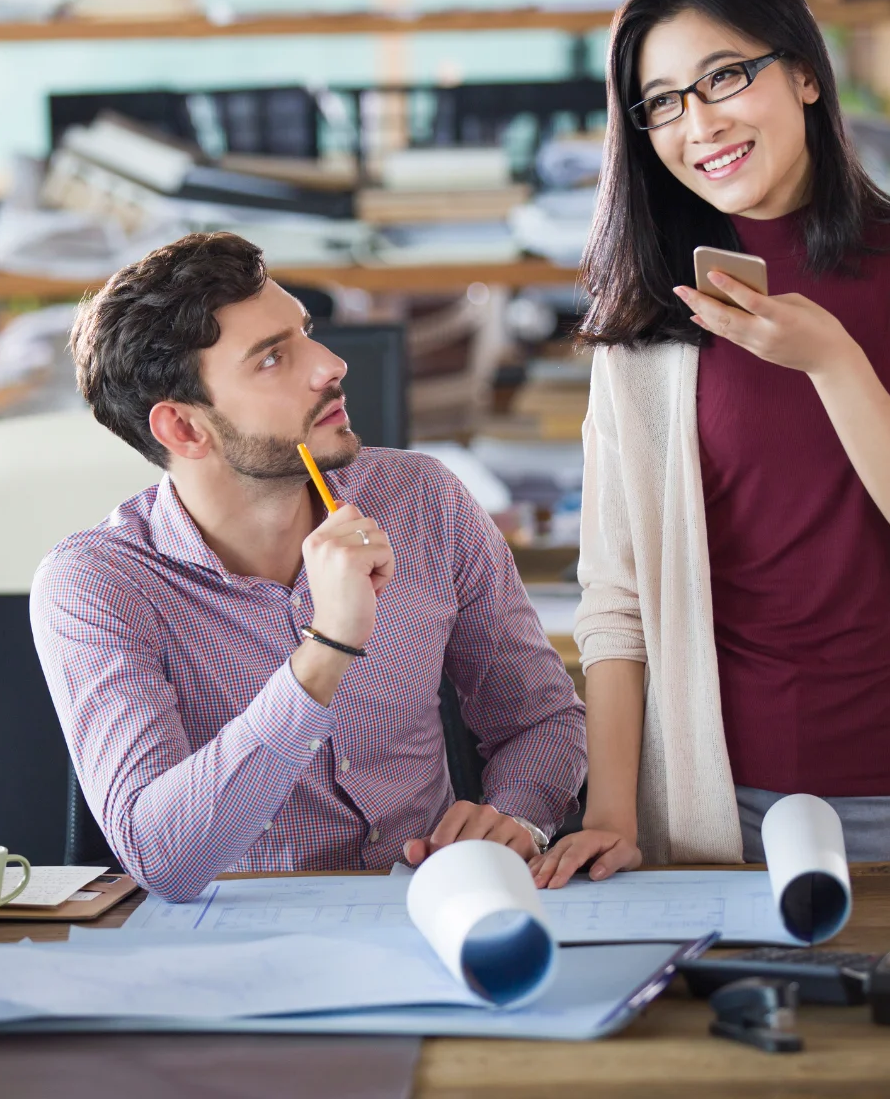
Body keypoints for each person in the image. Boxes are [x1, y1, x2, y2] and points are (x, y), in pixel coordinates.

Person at [531, 0, 890, 890]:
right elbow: (617, 602)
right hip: (710, 815)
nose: (699, 123)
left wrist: (835, 363)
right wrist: (613, 817)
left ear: (803, 73)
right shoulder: (649, 316)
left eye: (723, 77)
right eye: (663, 102)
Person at [32, 231, 585, 903]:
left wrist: (519, 815)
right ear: (183, 429)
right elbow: (163, 859)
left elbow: (540, 719)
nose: (330, 365)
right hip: (239, 941)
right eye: (272, 358)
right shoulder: (94, 584)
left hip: (432, 915)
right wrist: (327, 650)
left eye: (307, 334)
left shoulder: (423, 499)